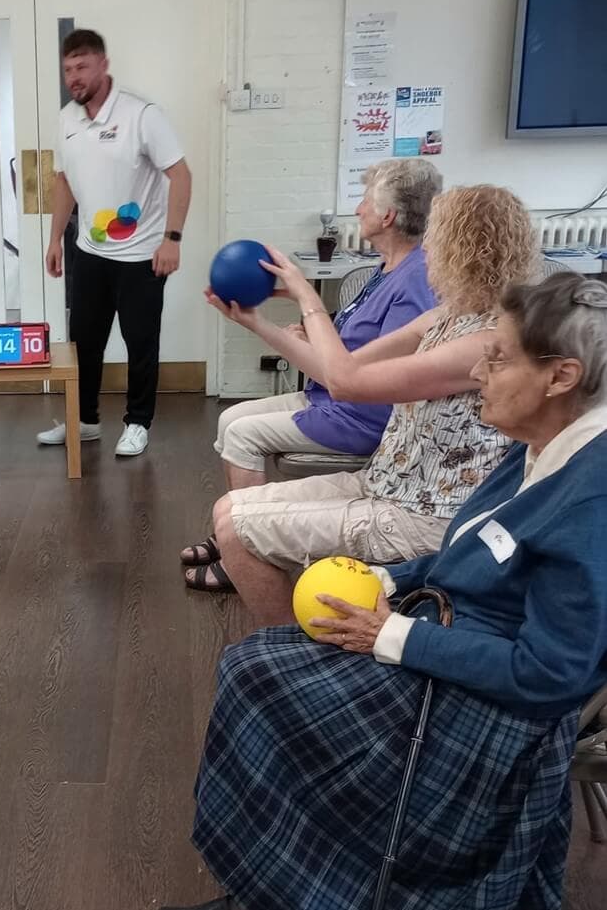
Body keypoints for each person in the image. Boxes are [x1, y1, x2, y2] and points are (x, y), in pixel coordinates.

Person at [155, 271, 607, 910]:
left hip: (493, 710)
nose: (479, 371)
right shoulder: (536, 448)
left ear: (561, 377)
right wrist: (389, 581)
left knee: (261, 681)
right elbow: (467, 548)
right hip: (447, 638)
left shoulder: (591, 496)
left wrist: (389, 635)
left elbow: (550, 676)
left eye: (500, 357)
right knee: (259, 664)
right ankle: (295, 886)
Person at [202, 185, 538, 625]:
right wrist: (257, 323)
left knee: (234, 530)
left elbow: (345, 384)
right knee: (227, 511)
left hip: (427, 516)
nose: (427, 250)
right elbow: (335, 368)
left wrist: (308, 298)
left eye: (435, 239)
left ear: (462, 249)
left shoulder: (489, 340)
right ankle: (301, 645)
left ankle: (296, 655)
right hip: (387, 483)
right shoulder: (448, 315)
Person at [182, 158, 442, 590]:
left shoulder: (415, 280)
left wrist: (267, 323)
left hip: (361, 415)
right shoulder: (384, 270)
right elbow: (341, 355)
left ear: (388, 216)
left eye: (364, 201)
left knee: (243, 434)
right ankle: (236, 533)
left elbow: (362, 376)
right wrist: (278, 326)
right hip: (329, 396)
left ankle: (242, 547)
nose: (358, 210)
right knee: (230, 419)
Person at [37, 28, 192, 458]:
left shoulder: (142, 114)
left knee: (141, 342)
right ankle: (83, 421)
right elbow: (64, 181)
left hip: (142, 256)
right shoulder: (67, 118)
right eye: (68, 69)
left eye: (82, 66)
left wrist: (172, 239)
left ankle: (138, 422)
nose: (74, 77)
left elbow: (181, 175)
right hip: (89, 253)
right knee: (84, 342)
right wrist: (55, 239)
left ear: (103, 65)